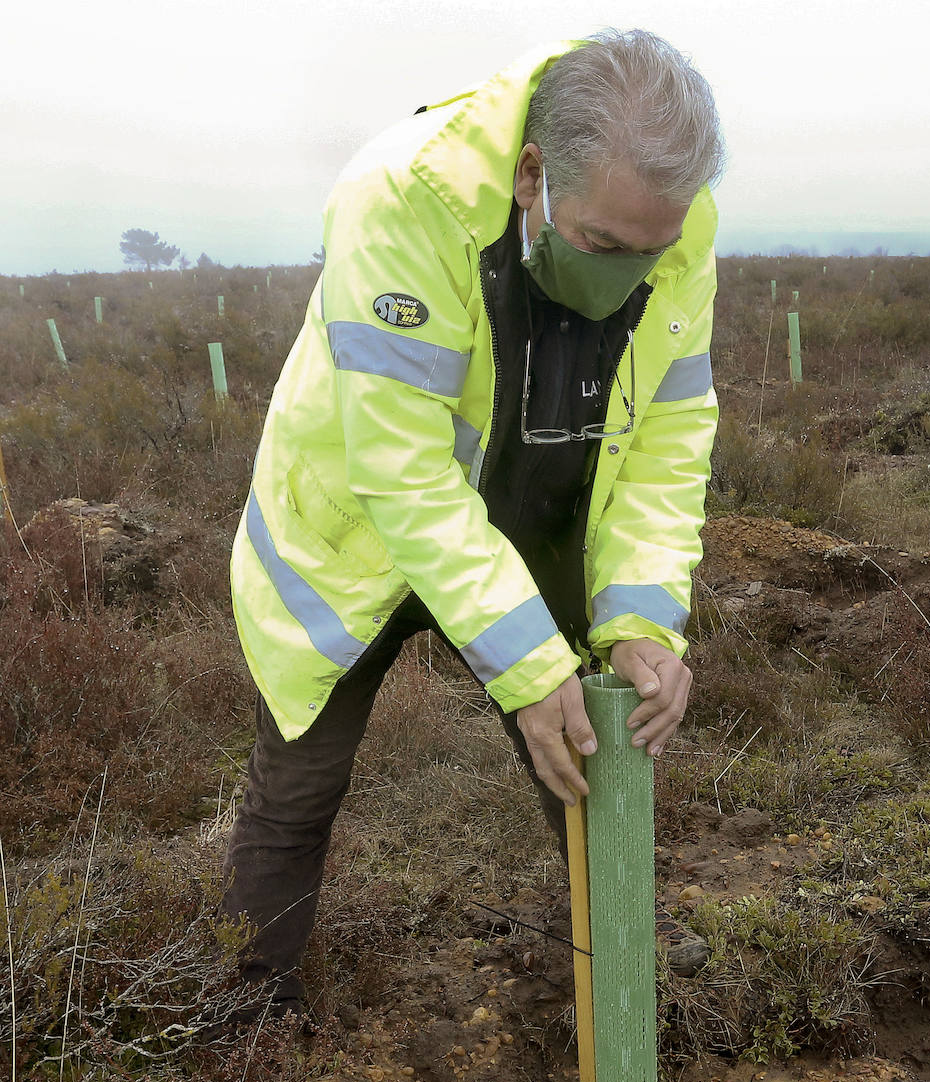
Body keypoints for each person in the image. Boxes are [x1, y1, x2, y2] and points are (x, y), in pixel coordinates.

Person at [220, 29, 724, 1026]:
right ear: (532, 175)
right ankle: (245, 1026)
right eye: (603, 248)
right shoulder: (402, 195)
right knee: (296, 788)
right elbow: (401, 470)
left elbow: (668, 441)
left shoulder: (678, 225)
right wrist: (527, 668)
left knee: (587, 760)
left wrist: (639, 621)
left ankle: (623, 1000)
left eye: (650, 253)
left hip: (530, 531)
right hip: (360, 541)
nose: (631, 273)